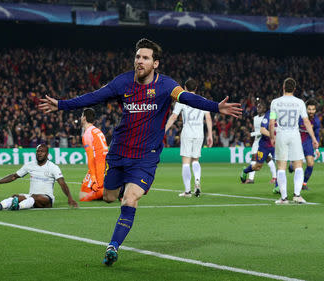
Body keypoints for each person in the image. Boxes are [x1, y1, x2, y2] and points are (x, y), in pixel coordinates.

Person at [38, 38, 242, 266]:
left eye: (145, 57)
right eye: (137, 57)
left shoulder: (167, 85)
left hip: (146, 155)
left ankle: (112, 247)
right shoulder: (122, 82)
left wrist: (215, 106)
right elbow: (94, 97)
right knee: (109, 197)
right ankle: (130, 187)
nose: (139, 61)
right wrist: (62, 104)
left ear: (155, 63)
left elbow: (187, 97)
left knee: (130, 199)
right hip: (119, 152)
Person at [0, 143, 78, 210]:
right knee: (16, 197)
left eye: (42, 151)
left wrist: (69, 197)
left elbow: (62, 183)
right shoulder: (30, 165)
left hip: (46, 199)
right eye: (38, 151)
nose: (39, 153)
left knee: (34, 197)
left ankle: (17, 206)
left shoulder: (53, 167)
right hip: (31, 197)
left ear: (47, 154)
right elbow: (14, 176)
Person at [269, 78, 319, 204]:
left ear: (283, 87)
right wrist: (313, 138)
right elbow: (306, 121)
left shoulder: (275, 102)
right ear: (295, 89)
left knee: (281, 167)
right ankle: (297, 195)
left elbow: (271, 122)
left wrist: (272, 137)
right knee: (298, 165)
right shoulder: (300, 102)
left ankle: (284, 198)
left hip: (281, 134)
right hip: (294, 134)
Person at [164, 78, 213, 197]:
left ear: (185, 88)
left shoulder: (181, 101)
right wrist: (210, 134)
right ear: (196, 88)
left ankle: (187, 191)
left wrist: (164, 129)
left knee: (186, 162)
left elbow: (174, 117)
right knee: (196, 160)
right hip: (199, 133)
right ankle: (197, 180)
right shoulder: (203, 100)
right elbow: (208, 118)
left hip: (187, 132)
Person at [240, 100, 276, 184]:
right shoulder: (255, 118)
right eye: (257, 107)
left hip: (265, 140)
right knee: (255, 158)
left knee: (268, 159)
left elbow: (263, 130)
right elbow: (256, 129)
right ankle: (251, 179)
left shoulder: (267, 118)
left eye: (260, 107)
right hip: (257, 141)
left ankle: (274, 178)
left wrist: (251, 134)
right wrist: (251, 135)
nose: (258, 108)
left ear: (264, 109)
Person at [288, 99, 320, 190]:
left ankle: (304, 184)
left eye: (313, 109)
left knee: (310, 163)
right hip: (297, 141)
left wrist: (317, 149)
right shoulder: (299, 118)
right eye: (309, 109)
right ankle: (291, 165)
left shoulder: (316, 121)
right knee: (297, 166)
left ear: (315, 110)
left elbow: (316, 135)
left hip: (308, 142)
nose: (311, 111)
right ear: (305, 109)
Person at [79, 108, 108, 202]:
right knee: (86, 191)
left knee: (83, 197)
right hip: (106, 165)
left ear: (84, 118)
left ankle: (111, 191)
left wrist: (93, 177)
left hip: (98, 166)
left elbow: (91, 157)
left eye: (81, 116)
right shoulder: (97, 131)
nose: (80, 118)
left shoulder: (87, 134)